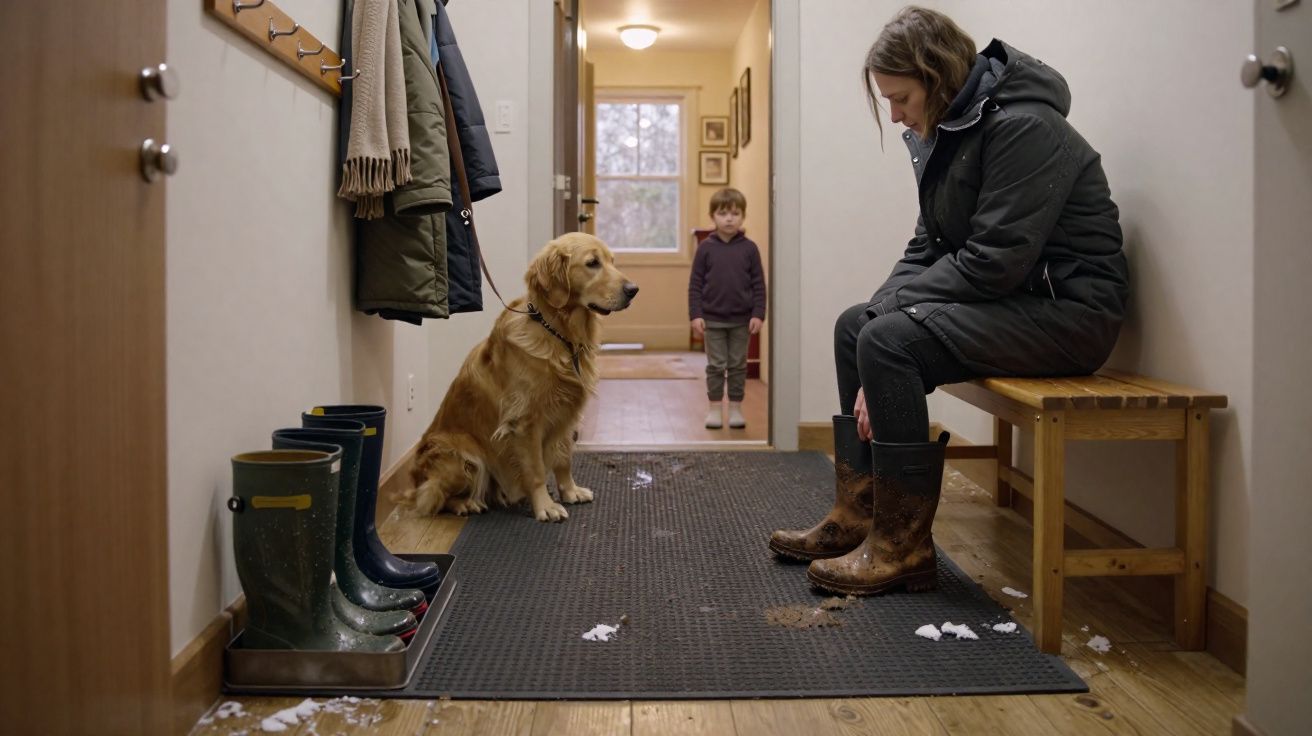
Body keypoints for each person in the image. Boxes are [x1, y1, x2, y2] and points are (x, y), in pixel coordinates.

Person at [769, 7, 1129, 596]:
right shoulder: (955, 131)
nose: (895, 114)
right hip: (1014, 303)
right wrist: (878, 312)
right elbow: (928, 247)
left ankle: (902, 545)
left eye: (901, 98)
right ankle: (859, 517)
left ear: (936, 78)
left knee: (885, 339)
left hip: (1069, 314)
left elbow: (993, 261)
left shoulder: (1025, 128)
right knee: (854, 326)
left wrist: (882, 331)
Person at [688, 188, 767, 430]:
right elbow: (695, 284)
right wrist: (696, 314)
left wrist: (758, 314)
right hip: (712, 320)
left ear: (743, 216)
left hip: (741, 321)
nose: (729, 219)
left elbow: (758, 284)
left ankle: (735, 408)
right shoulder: (705, 248)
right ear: (713, 216)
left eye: (735, 213)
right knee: (715, 366)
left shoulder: (750, 249)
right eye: (723, 214)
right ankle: (714, 408)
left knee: (737, 366)